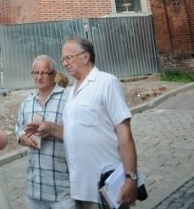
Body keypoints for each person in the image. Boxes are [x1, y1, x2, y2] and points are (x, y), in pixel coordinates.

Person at [25, 38, 139, 209]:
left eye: (68, 58)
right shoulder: (72, 92)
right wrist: (49, 127)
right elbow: (72, 133)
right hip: (79, 189)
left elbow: (124, 133)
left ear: (85, 57)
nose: (64, 63)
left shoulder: (106, 82)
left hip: (105, 186)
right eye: (63, 59)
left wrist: (131, 178)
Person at [15, 55, 72, 209]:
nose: (39, 77)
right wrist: (23, 138)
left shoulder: (69, 99)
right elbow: (18, 129)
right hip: (35, 191)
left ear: (53, 74)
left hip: (63, 190)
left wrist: (52, 129)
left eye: (44, 73)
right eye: (36, 73)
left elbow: (79, 133)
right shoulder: (27, 102)